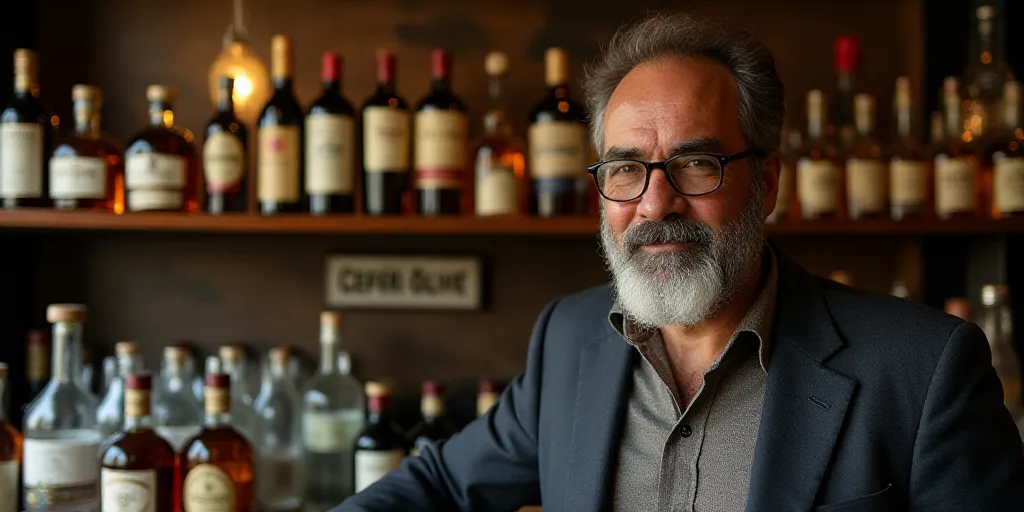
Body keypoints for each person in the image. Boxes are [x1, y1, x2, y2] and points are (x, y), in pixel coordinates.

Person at [335, 11, 1024, 511]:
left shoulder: (923, 369)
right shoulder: (569, 341)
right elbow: (441, 486)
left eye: (697, 163)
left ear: (767, 181)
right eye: (627, 169)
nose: (655, 203)